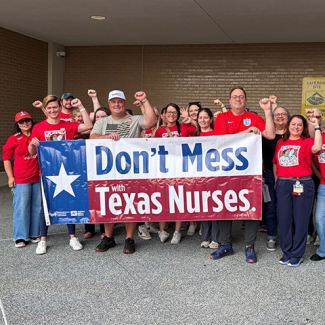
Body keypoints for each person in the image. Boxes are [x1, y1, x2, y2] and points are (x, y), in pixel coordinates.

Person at [210, 86, 275, 263]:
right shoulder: (223, 117)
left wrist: (267, 111)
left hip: (250, 172)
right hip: (226, 172)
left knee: (251, 207)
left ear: (245, 101)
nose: (238, 99)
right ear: (230, 101)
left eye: (241, 97)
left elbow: (270, 134)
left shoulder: (254, 117)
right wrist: (246, 133)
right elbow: (222, 140)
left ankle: (249, 246)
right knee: (225, 206)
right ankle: (226, 245)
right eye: (234, 97)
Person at [90, 90, 157, 254]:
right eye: (113, 102)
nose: (116, 104)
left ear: (125, 104)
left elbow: (151, 122)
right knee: (108, 204)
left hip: (130, 170)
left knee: (130, 204)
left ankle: (129, 238)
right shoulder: (103, 122)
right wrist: (106, 137)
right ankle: (109, 238)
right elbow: (92, 138)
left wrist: (145, 100)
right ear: (109, 104)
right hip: (108, 170)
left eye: (120, 101)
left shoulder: (134, 119)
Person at [28, 95, 93, 255]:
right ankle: (43, 240)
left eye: (55, 107)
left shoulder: (68, 125)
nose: (52, 110)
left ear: (60, 107)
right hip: (48, 174)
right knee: (45, 207)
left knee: (69, 202)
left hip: (69, 172)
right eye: (49, 108)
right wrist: (32, 144)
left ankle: (72, 237)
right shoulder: (38, 127)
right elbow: (31, 152)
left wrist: (82, 106)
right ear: (45, 109)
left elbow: (89, 125)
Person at [273, 114, 321, 267]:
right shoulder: (281, 142)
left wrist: (317, 126)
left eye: (300, 125)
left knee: (301, 220)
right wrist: (277, 182)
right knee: (284, 219)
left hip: (302, 183)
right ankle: (286, 252)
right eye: (293, 124)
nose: (296, 127)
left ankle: (297, 254)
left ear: (303, 128)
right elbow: (275, 163)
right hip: (283, 184)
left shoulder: (307, 141)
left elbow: (318, 148)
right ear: (288, 126)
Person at [155, 103, 197, 244]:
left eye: (174, 112)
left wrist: (191, 119)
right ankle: (162, 231)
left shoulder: (184, 127)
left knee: (178, 200)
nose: (171, 114)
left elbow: (200, 132)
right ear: (164, 114)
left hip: (181, 170)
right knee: (163, 200)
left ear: (178, 115)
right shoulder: (159, 131)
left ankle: (177, 232)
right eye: (169, 112)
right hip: (164, 170)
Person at [3, 112, 41, 248]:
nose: (25, 123)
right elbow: (6, 158)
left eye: (27, 120)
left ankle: (34, 233)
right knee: (21, 207)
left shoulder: (37, 134)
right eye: (21, 122)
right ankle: (20, 236)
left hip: (37, 177)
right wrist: (10, 177)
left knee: (37, 206)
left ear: (31, 121)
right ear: (17, 125)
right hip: (21, 178)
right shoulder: (14, 138)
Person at [262, 105, 291, 251]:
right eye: (277, 114)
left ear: (288, 117)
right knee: (271, 207)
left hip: (290, 175)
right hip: (269, 174)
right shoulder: (266, 134)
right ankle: (272, 236)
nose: (280, 117)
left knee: (289, 207)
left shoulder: (293, 133)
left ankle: (290, 235)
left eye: (283, 114)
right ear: (272, 118)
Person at [192, 108, 220, 248]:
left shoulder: (217, 134)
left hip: (215, 176)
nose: (203, 120)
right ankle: (205, 237)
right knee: (204, 206)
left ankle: (215, 238)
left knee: (215, 205)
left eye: (205, 117)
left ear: (211, 119)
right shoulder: (194, 136)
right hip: (200, 177)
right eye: (200, 118)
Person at [310, 109, 325, 261]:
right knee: (319, 218)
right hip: (323, 185)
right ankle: (323, 251)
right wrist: (317, 173)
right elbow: (310, 155)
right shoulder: (321, 139)